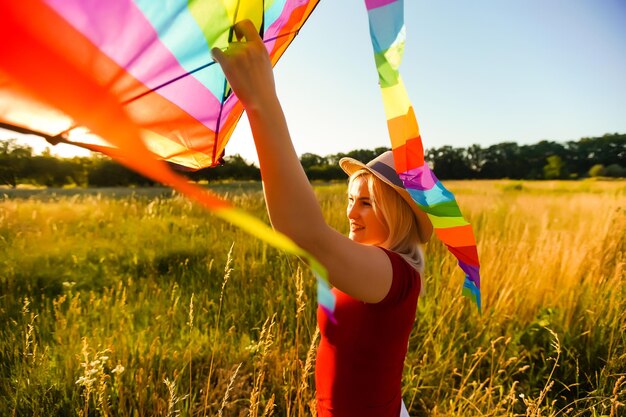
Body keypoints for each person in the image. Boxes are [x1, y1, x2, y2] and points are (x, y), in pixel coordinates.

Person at [212, 20, 432, 417]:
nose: (351, 212)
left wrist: (260, 101)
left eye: (366, 202)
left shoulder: (392, 275)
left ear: (397, 213)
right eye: (351, 199)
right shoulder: (372, 264)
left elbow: (303, 232)